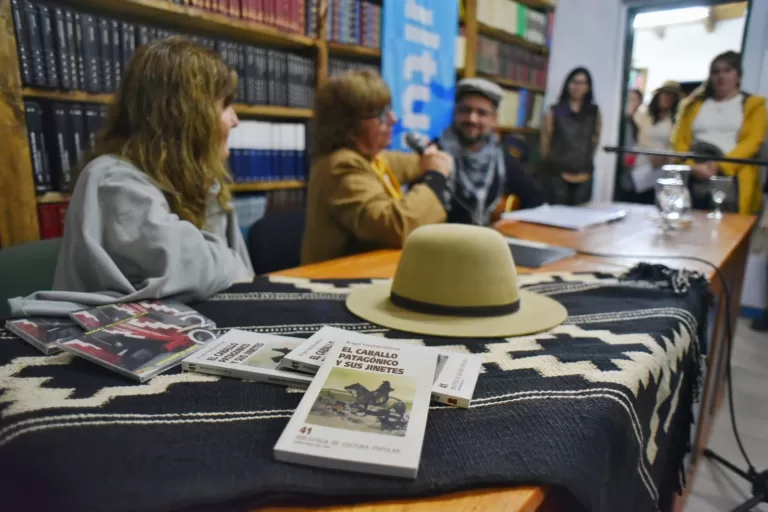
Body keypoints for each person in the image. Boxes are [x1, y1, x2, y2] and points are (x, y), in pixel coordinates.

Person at [9, 38, 254, 317]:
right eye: (225, 105)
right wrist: (226, 263)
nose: (234, 119)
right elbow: (199, 268)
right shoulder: (110, 180)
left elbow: (236, 277)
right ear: (185, 115)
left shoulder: (202, 182)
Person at [301, 69, 454, 265]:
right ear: (347, 125)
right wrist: (435, 177)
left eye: (389, 110)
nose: (393, 120)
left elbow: (413, 164)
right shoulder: (340, 166)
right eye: (380, 114)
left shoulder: (372, 158)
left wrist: (432, 159)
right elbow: (396, 226)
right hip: (339, 283)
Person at [435, 78, 545, 226]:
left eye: (482, 113)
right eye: (466, 110)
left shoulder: (501, 157)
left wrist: (508, 224)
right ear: (455, 113)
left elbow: (536, 197)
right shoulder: (433, 152)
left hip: (486, 243)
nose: (472, 119)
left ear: (494, 119)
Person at [673, 51, 767, 214]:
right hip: (694, 174)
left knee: (728, 230)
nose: (721, 76)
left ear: (738, 75)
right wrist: (692, 167)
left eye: (727, 70)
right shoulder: (692, 105)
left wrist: (720, 166)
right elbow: (679, 140)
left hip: (733, 177)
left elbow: (753, 142)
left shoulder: (754, 106)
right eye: (715, 71)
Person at [540, 67, 601, 205]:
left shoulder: (593, 112)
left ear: (588, 87)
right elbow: (545, 143)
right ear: (567, 84)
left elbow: (595, 140)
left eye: (582, 83)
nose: (577, 86)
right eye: (574, 82)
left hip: (584, 175)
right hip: (557, 176)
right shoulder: (555, 110)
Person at [621, 82, 682, 204]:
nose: (666, 99)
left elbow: (675, 145)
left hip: (661, 168)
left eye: (670, 96)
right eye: (664, 94)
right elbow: (634, 138)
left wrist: (665, 157)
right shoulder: (643, 115)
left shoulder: (675, 120)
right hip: (640, 165)